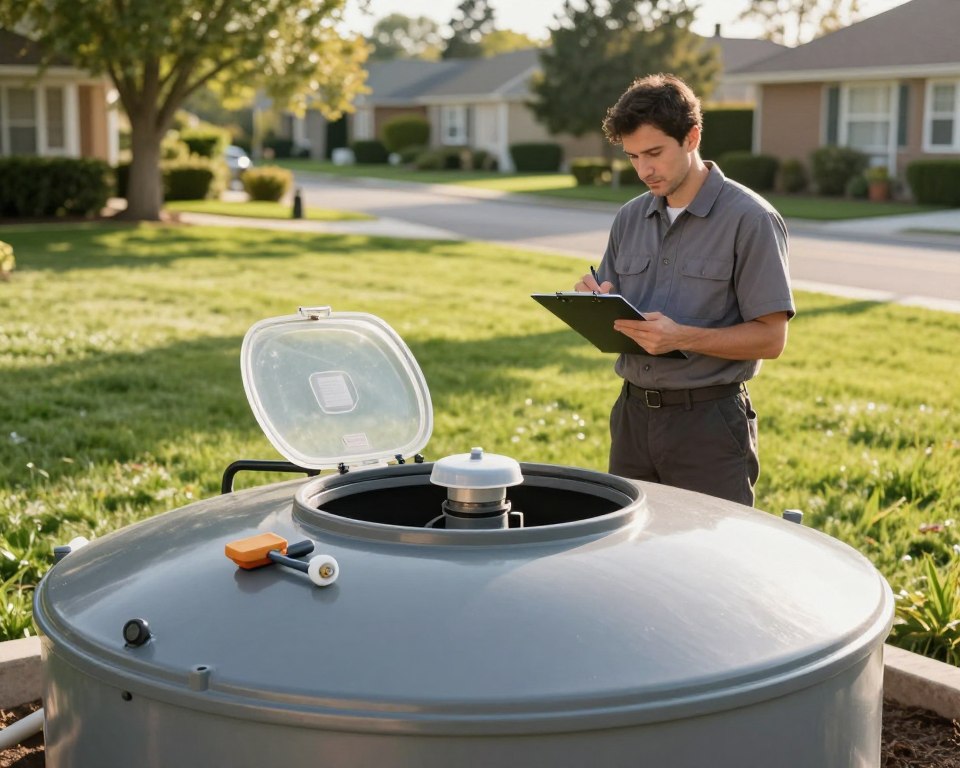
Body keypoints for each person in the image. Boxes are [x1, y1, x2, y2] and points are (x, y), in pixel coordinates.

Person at [574, 73, 795, 506]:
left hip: (709, 424)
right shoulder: (628, 218)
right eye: (633, 156)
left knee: (711, 562)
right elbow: (616, 311)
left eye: (654, 153)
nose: (644, 170)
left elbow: (772, 339)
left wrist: (683, 337)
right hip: (632, 418)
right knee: (632, 558)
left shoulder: (750, 219)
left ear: (692, 137)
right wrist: (592, 303)